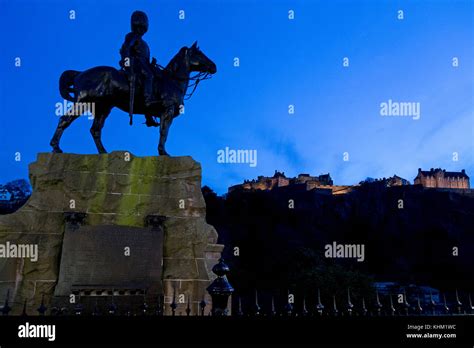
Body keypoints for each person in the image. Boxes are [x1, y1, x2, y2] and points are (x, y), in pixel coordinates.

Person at [119, 11, 159, 127]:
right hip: (135, 64)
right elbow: (125, 49)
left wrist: (152, 64)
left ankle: (149, 116)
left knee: (157, 76)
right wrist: (127, 64)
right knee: (149, 76)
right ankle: (148, 100)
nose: (141, 30)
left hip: (143, 64)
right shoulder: (132, 36)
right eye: (140, 27)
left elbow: (145, 58)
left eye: (143, 27)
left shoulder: (144, 43)